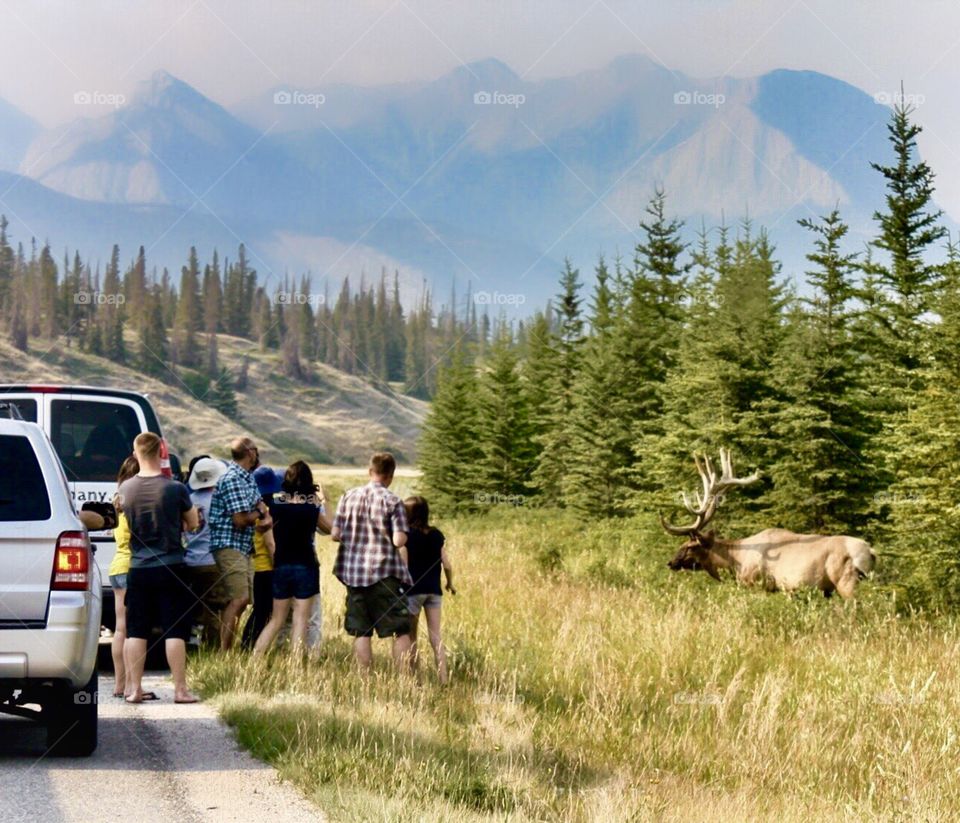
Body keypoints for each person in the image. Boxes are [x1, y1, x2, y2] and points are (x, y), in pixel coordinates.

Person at [120, 432, 200, 704]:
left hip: (138, 566)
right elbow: (193, 523)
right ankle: (180, 690)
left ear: (135, 453)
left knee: (136, 630)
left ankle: (134, 689)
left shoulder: (125, 489)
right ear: (161, 452)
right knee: (174, 628)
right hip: (171, 565)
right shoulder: (175, 488)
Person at [331, 452, 412, 671]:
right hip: (385, 574)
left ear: (370, 471)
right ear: (391, 476)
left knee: (361, 631)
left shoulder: (348, 497)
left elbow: (335, 534)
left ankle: (364, 679)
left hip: (354, 575)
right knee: (400, 629)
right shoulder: (393, 501)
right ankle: (405, 681)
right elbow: (398, 540)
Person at [254, 461, 333, 655]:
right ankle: (295, 666)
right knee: (301, 619)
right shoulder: (311, 507)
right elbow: (331, 528)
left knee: (276, 619)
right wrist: (325, 501)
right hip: (306, 565)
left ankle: (256, 659)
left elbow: (264, 525)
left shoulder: (275, 503)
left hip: (281, 564)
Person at [208, 437, 273, 651]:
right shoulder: (234, 478)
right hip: (229, 543)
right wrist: (262, 514)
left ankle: (228, 647)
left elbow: (257, 502)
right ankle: (224, 651)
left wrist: (261, 512)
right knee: (239, 598)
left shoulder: (246, 477)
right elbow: (240, 519)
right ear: (250, 453)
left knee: (244, 600)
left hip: (242, 545)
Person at [403, 495, 455, 684]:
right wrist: (449, 583)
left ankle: (415, 678)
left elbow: (404, 564)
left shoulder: (406, 536)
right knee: (435, 636)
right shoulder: (436, 535)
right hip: (434, 591)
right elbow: (447, 564)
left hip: (413, 591)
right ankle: (444, 679)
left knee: (411, 636)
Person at [184, 457, 228, 646]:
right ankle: (212, 648)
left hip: (191, 560)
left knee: (196, 608)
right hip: (213, 561)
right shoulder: (220, 501)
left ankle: (192, 642)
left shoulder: (189, 501)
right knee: (215, 609)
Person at [107, 455, 140, 698]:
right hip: (132, 566)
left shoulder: (116, 500)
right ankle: (131, 684)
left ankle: (119, 684)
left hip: (116, 566)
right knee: (133, 630)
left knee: (120, 629)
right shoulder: (135, 502)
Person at [240, 466, 282, 651]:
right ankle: (249, 647)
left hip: (255, 566)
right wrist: (278, 567)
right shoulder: (266, 512)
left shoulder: (251, 510)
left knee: (260, 610)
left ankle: (248, 646)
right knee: (263, 612)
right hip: (266, 568)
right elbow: (270, 544)